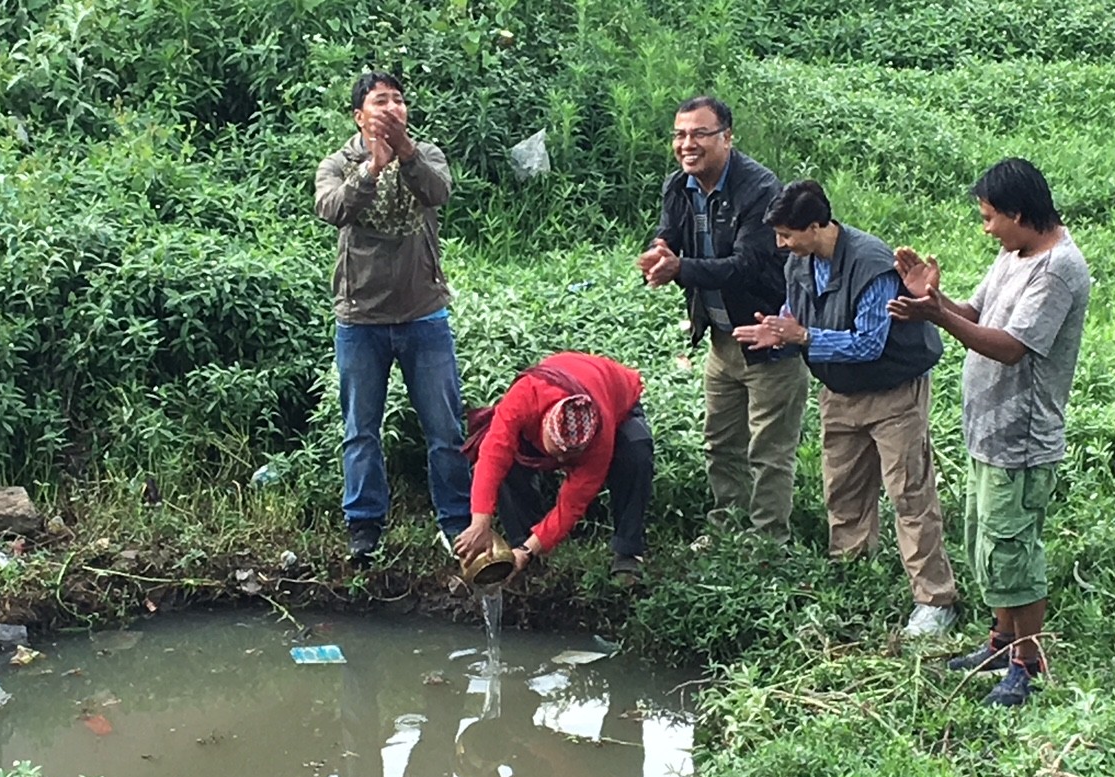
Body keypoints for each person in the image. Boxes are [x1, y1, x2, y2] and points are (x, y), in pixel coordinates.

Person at [887, 158, 1091, 707]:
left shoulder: (1057, 271)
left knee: (1013, 551)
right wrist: (933, 301)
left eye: (990, 217)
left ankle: (1029, 662)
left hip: (1021, 439)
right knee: (988, 545)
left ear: (1020, 214)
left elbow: (1010, 345)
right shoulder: (1015, 253)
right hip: (988, 431)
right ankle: (1002, 643)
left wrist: (936, 317)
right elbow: (976, 312)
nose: (986, 229)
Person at [733, 180, 959, 637]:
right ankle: (853, 581)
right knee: (844, 492)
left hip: (893, 392)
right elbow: (795, 312)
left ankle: (936, 601)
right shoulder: (800, 261)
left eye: (788, 235)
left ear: (817, 226)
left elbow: (869, 343)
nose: (781, 244)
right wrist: (779, 332)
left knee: (909, 494)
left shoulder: (872, 264)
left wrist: (806, 338)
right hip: (838, 393)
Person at [314, 71, 472, 566]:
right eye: (381, 101)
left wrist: (403, 155)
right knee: (361, 428)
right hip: (360, 318)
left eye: (399, 100)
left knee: (445, 427)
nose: (393, 108)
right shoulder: (338, 163)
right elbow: (331, 208)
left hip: (424, 313)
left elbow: (438, 191)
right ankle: (364, 529)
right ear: (359, 115)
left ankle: (457, 524)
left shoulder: (426, 155)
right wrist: (368, 171)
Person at [637, 96, 806, 542]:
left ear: (727, 139)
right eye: (679, 134)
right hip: (721, 338)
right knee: (721, 443)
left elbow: (746, 263)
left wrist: (680, 268)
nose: (686, 144)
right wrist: (659, 252)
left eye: (699, 134)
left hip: (769, 336)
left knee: (769, 449)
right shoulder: (679, 186)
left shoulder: (760, 189)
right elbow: (668, 234)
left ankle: (769, 539)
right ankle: (727, 527)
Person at [453, 352, 654, 580]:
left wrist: (528, 551)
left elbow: (572, 504)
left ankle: (627, 552)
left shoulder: (600, 437)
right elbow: (492, 455)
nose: (560, 463)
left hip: (616, 398)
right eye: (558, 453)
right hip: (559, 383)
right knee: (504, 461)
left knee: (636, 453)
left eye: (569, 456)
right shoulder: (526, 397)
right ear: (545, 426)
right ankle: (524, 542)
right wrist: (480, 523)